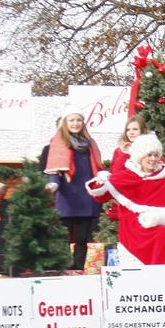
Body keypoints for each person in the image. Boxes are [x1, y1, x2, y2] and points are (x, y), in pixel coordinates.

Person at [86, 133, 165, 265]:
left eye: (156, 155)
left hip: (162, 224)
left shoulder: (163, 178)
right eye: (149, 155)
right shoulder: (126, 176)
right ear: (140, 156)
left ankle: (163, 272)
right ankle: (158, 271)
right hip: (134, 227)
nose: (153, 159)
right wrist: (101, 180)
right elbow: (99, 196)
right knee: (163, 234)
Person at [43, 107, 104, 270]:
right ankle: (63, 266)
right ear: (65, 122)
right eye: (72, 120)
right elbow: (55, 168)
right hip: (66, 194)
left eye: (78, 120)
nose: (75, 123)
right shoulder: (58, 142)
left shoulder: (90, 143)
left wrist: (103, 177)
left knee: (83, 238)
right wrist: (54, 182)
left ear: (83, 123)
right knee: (63, 235)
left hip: (87, 194)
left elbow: (97, 167)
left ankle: (77, 268)